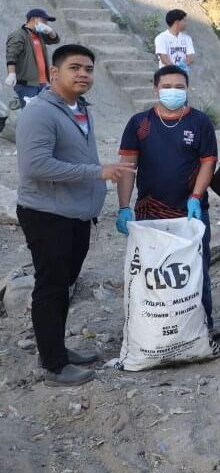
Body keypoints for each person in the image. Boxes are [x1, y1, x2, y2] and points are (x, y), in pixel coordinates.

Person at [16, 45, 134, 386]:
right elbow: (35, 165)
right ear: (55, 73)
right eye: (75, 67)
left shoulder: (80, 108)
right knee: (51, 286)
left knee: (64, 285)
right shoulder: (39, 112)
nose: (83, 73)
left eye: (88, 68)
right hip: (47, 213)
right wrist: (96, 173)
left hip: (77, 214)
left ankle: (55, 348)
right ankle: (53, 365)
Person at [116, 66, 218, 328]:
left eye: (180, 87)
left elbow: (208, 162)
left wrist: (196, 196)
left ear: (187, 89)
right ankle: (155, 328)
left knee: (195, 270)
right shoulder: (140, 123)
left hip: (191, 212)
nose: (174, 91)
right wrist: (123, 207)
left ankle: (201, 328)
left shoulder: (200, 121)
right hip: (150, 212)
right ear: (155, 89)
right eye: (167, 86)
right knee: (153, 272)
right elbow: (128, 165)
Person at [6, 8, 60, 107]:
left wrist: (50, 30)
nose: (46, 24)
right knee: (30, 114)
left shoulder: (39, 36)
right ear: (35, 19)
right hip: (26, 84)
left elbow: (55, 40)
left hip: (42, 83)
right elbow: (11, 55)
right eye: (44, 21)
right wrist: (12, 73)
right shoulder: (19, 35)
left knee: (41, 112)